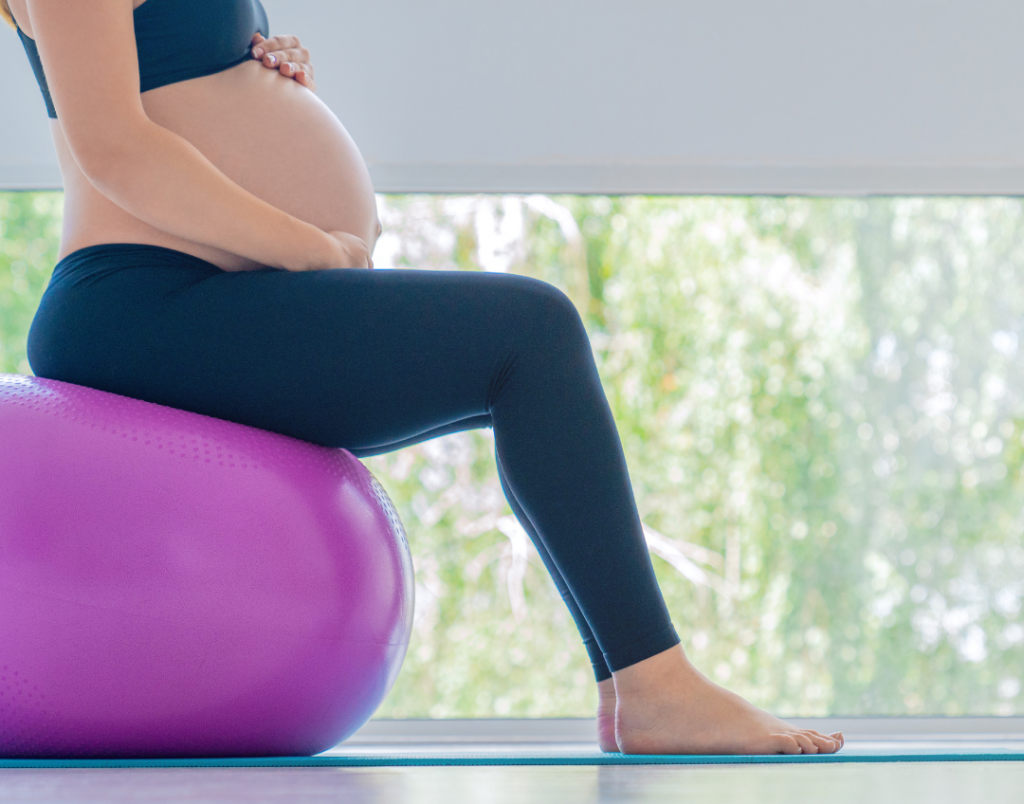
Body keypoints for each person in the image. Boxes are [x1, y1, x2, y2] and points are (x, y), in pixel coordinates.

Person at [2, 0, 843, 756]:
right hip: (142, 302)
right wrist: (307, 245)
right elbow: (114, 145)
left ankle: (645, 690)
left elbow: (173, 82)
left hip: (200, 291)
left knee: (524, 344)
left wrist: (259, 66)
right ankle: (654, 688)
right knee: (529, 335)